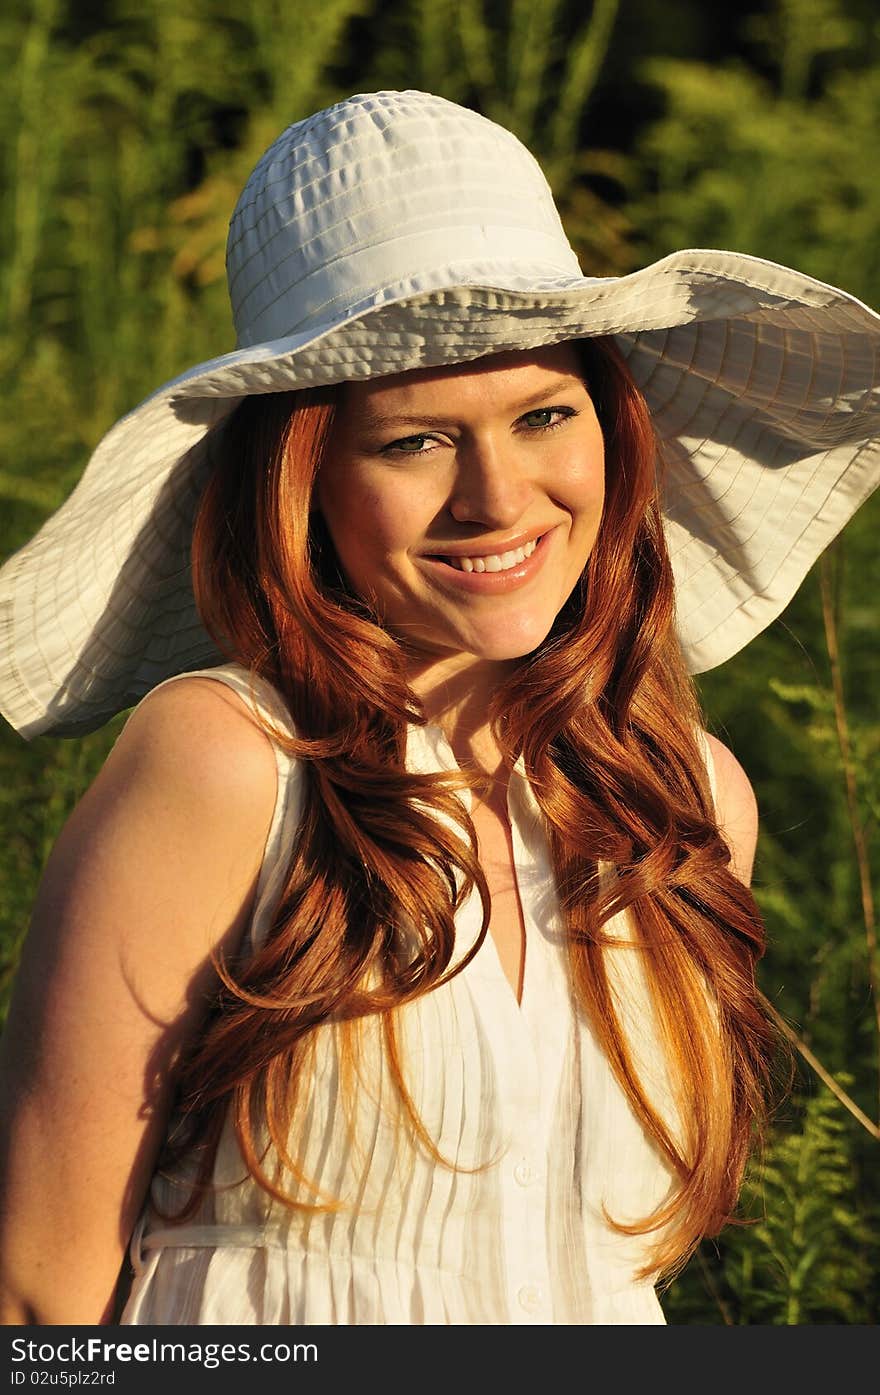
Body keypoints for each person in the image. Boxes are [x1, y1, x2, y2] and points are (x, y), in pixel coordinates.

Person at [0, 88, 877, 1329]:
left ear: (614, 434)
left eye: (542, 416)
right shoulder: (229, 762)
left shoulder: (682, 804)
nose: (497, 497)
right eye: (414, 443)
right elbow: (38, 1293)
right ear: (303, 481)